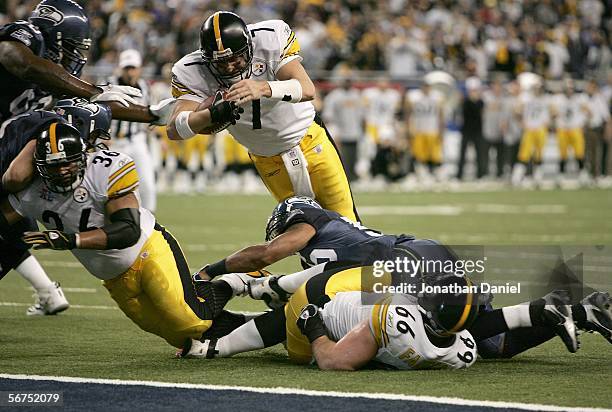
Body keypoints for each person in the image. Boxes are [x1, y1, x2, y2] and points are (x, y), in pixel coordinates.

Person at [0, 122, 244, 348]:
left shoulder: (103, 169)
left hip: (147, 250)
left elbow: (128, 230)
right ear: (40, 167)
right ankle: (255, 324)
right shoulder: (31, 193)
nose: (63, 171)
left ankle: (234, 281)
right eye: (54, 165)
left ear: (83, 157)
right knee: (183, 339)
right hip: (113, 277)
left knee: (191, 322)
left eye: (69, 163)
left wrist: (71, 240)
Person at [182, 263, 609, 370]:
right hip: (362, 294)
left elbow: (333, 361)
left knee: (299, 308)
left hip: (372, 297)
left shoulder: (407, 324)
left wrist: (313, 325)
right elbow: (334, 359)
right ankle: (225, 333)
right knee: (494, 345)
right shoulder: (455, 349)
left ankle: (226, 332)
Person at [166, 11, 359, 222]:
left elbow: (307, 89)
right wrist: (211, 114)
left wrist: (264, 87)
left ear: (249, 47)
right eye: (221, 63)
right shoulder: (191, 69)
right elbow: (174, 129)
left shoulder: (270, 38)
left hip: (311, 143)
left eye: (235, 59)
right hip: (267, 159)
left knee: (347, 224)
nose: (230, 67)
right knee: (305, 232)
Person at [0, 0, 173, 130]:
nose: (76, 56)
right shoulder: (25, 35)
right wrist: (93, 92)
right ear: (55, 37)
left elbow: (92, 104)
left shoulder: (58, 79)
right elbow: (26, 65)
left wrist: (150, 113)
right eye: (71, 46)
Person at [108, 49, 157, 212]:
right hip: (113, 142)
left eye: (133, 68)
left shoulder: (145, 87)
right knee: (110, 185)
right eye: (127, 68)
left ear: (139, 69)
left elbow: (151, 113)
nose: (130, 72)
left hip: (136, 139)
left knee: (147, 184)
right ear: (121, 68)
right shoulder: (109, 86)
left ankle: (151, 220)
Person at [322, 78, 363, 182]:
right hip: (339, 130)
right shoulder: (334, 96)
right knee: (341, 155)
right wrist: (333, 132)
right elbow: (328, 116)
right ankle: (342, 177)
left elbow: (362, 114)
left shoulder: (356, 94)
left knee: (354, 155)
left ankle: (353, 177)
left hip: (354, 129)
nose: (347, 82)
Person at [511, 80, 551, 186]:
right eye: (536, 88)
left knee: (539, 154)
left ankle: (537, 177)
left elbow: (553, 112)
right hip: (530, 129)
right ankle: (517, 177)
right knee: (524, 154)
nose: (538, 90)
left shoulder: (546, 99)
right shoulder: (526, 98)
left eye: (540, 88)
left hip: (540, 129)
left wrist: (548, 122)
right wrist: (521, 120)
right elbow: (516, 110)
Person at [405, 80, 445, 182]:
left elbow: (441, 115)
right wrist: (409, 128)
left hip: (433, 130)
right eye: (425, 86)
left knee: (434, 155)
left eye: (428, 87)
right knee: (419, 155)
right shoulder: (414, 97)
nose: (426, 89)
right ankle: (421, 175)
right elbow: (408, 113)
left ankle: (434, 175)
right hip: (419, 130)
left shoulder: (437, 97)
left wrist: (441, 130)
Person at [550, 78, 589, 183]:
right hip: (562, 128)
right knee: (563, 154)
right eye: (567, 88)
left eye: (571, 88)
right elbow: (553, 112)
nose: (569, 90)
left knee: (579, 153)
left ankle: (582, 174)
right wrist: (555, 115)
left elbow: (587, 112)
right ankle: (561, 175)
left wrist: (583, 123)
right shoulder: (558, 99)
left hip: (575, 128)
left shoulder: (580, 98)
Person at [457, 77, 486, 180]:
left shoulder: (481, 102)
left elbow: (481, 114)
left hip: (477, 131)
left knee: (479, 154)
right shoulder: (465, 102)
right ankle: (459, 175)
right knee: (462, 154)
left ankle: (480, 175)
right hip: (466, 130)